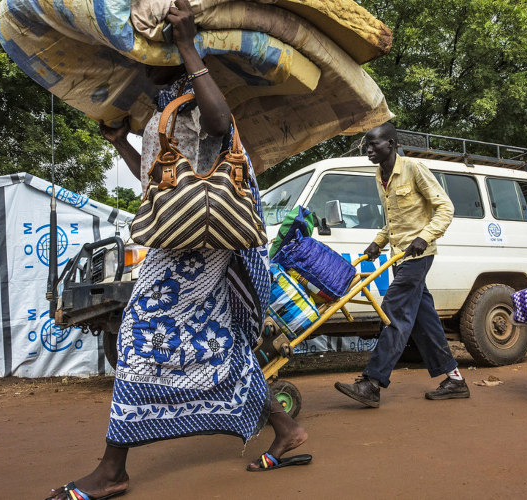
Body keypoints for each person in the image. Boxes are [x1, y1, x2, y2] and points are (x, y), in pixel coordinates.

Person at [47, 3, 309, 499]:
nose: (139, 61)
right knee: (224, 340)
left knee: (140, 334)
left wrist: (189, 47)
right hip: (183, 239)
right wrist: (122, 143)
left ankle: (111, 470)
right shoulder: (164, 106)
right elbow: (163, 189)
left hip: (199, 249)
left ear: (172, 48)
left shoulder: (195, 91)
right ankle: (287, 428)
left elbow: (220, 124)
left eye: (151, 51)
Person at [334, 122, 468, 407]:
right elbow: (393, 220)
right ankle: (454, 379)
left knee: (394, 311)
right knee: (424, 320)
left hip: (418, 255)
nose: (368, 149)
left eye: (374, 144)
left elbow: (445, 207)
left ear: (392, 144)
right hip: (399, 255)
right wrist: (378, 243)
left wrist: (425, 237)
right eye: (366, 145)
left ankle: (372, 382)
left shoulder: (413, 169)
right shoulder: (379, 175)